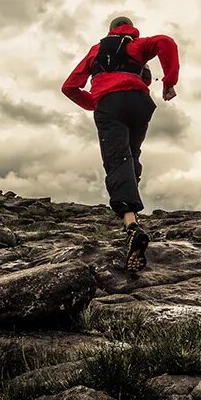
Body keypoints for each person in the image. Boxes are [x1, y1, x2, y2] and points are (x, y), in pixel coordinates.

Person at [61, 16, 179, 270]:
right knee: (132, 157)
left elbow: (69, 86)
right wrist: (169, 81)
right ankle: (132, 215)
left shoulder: (96, 51)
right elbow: (165, 42)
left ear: (110, 31)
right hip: (140, 103)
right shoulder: (136, 45)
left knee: (118, 159)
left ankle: (131, 224)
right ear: (130, 30)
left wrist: (94, 102)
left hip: (109, 104)